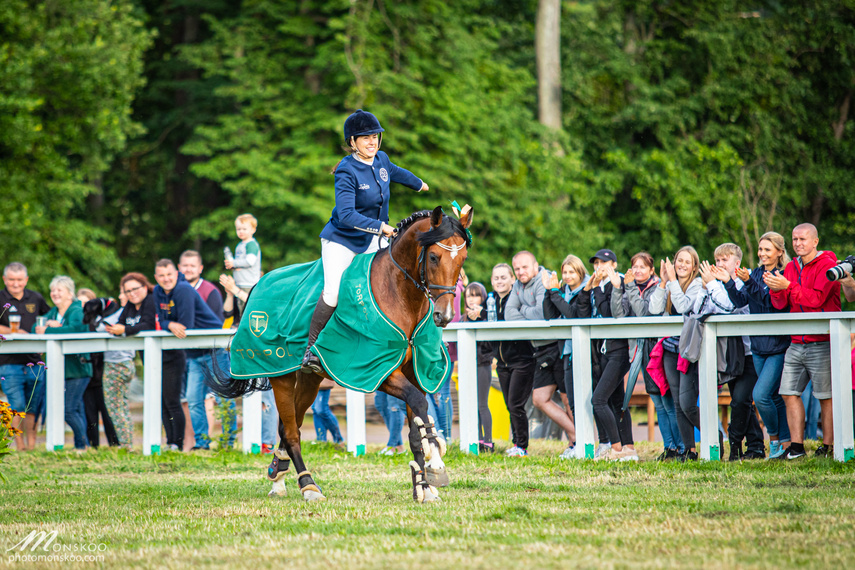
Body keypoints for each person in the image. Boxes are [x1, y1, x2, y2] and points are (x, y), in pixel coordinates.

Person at [300, 109, 428, 374]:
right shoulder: (346, 171)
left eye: (375, 137)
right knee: (333, 293)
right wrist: (381, 227)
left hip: (374, 237)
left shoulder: (381, 159)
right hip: (343, 240)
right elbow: (346, 215)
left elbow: (395, 172)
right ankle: (311, 351)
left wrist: (418, 184)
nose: (372, 142)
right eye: (365, 138)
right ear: (352, 142)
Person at [768, 223, 841, 459]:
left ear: (815, 242)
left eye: (802, 239)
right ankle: (797, 448)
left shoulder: (828, 265)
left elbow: (817, 300)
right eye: (794, 239)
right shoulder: (790, 266)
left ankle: (827, 447)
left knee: (825, 396)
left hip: (821, 341)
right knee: (788, 393)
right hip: (796, 342)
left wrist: (789, 286)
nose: (797, 243)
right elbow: (781, 304)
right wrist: (776, 289)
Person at [722, 232, 792, 459]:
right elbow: (742, 300)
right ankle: (785, 444)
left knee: (761, 395)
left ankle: (773, 440)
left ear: (779, 252)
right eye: (760, 249)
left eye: (767, 249)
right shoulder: (757, 273)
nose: (762, 253)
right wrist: (730, 283)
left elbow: (770, 302)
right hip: (758, 346)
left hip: (778, 346)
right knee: (773, 397)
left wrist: (748, 281)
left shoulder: (782, 274)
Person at [154, 259, 236, 450]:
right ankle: (202, 443)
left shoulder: (183, 289)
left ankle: (228, 443)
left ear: (176, 274)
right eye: (161, 275)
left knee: (224, 398)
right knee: (193, 399)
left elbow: (186, 324)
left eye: (169, 274)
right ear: (156, 277)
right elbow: (163, 320)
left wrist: (170, 323)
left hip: (214, 349)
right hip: (193, 354)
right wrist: (169, 325)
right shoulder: (158, 292)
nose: (166, 279)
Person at [611, 252, 685, 461]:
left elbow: (645, 313)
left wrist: (631, 288)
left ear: (652, 270)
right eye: (635, 267)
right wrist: (619, 288)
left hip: (658, 350)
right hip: (640, 351)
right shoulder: (629, 287)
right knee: (658, 404)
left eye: (642, 267)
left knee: (668, 402)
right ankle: (669, 447)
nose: (638, 271)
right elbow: (618, 314)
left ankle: (681, 447)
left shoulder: (658, 287)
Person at [698, 244, 765, 460]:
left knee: (740, 400)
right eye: (717, 261)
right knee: (742, 401)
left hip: (750, 352)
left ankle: (734, 444)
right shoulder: (714, 285)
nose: (719, 265)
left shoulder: (742, 284)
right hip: (730, 355)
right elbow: (703, 310)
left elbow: (729, 306)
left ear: (737, 264)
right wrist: (706, 287)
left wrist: (712, 285)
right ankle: (755, 446)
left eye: (724, 260)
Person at [578, 249, 637, 462]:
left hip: (620, 350)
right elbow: (582, 314)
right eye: (595, 264)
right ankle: (629, 447)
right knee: (616, 401)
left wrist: (597, 290)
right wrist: (589, 289)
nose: (598, 267)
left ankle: (616, 448)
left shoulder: (619, 281)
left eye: (603, 262)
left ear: (613, 263)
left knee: (598, 400)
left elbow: (608, 313)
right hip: (604, 350)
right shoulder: (598, 285)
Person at [648, 246, 704, 461]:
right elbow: (654, 309)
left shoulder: (697, 285)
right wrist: (663, 282)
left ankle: (714, 436)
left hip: (688, 352)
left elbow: (683, 308)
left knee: (688, 403)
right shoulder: (670, 284)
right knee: (678, 404)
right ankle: (688, 449)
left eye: (686, 262)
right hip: (670, 350)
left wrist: (672, 280)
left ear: (694, 267)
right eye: (679, 260)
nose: (681, 265)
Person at [219, 273, 278, 452]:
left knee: (266, 399)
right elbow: (227, 313)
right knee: (247, 396)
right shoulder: (239, 293)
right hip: (243, 348)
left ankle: (267, 442)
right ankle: (247, 441)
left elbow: (258, 305)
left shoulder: (266, 291)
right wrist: (230, 294)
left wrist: (235, 290)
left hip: (262, 349)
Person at [35, 276, 91, 450]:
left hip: (78, 369)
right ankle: (81, 445)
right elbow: (35, 326)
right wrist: (46, 328)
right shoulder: (53, 312)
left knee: (68, 409)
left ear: (69, 293)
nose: (55, 293)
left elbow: (78, 329)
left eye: (59, 290)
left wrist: (51, 329)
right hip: (60, 370)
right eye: (53, 290)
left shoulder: (76, 310)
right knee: (74, 409)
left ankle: (82, 446)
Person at [542, 254, 590, 459]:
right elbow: (549, 315)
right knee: (571, 399)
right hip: (567, 352)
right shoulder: (563, 291)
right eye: (565, 272)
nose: (568, 276)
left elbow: (572, 314)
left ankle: (586, 442)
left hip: (585, 352)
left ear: (580, 272)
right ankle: (577, 443)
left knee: (582, 400)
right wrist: (548, 291)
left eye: (572, 272)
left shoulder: (585, 291)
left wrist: (554, 293)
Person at [0, 262, 50, 450]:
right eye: (11, 279)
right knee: (17, 404)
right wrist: (14, 331)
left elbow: (51, 317)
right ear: (5, 279)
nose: (15, 283)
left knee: (32, 405)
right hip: (8, 362)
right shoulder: (0, 298)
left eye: (19, 280)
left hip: (35, 361)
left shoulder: (36, 298)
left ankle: (32, 444)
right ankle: (18, 444)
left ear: (26, 280)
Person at [106, 273, 159, 450]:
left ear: (144, 287)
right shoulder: (130, 305)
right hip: (146, 358)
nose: (131, 293)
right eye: (127, 291)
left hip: (165, 357)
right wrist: (114, 329)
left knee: (168, 401)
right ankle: (143, 444)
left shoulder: (151, 301)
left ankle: (173, 443)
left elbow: (148, 325)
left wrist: (125, 330)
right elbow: (120, 324)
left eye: (135, 289)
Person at [492, 262, 535, 457]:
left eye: (503, 277)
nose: (499, 281)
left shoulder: (517, 298)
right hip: (502, 363)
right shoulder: (490, 301)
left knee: (516, 403)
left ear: (512, 279)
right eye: (496, 278)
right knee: (510, 405)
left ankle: (522, 446)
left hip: (522, 360)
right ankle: (516, 442)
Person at [76, 287, 120, 448]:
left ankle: (115, 444)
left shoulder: (105, 318)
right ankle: (93, 445)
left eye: (85, 303)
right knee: (89, 412)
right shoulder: (81, 322)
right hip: (87, 372)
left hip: (102, 371)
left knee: (107, 410)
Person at [96, 281, 136, 450]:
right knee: (122, 404)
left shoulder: (121, 314)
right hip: (128, 362)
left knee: (114, 406)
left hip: (115, 364)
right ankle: (128, 442)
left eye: (122, 293)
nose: (120, 296)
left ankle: (126, 445)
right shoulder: (133, 315)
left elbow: (100, 328)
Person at [462, 281, 495, 452]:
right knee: (471, 405)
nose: (472, 299)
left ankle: (488, 442)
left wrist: (480, 317)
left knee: (482, 404)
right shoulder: (462, 318)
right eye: (469, 295)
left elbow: (490, 343)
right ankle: (477, 439)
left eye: (476, 295)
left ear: (483, 297)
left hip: (483, 365)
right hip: (466, 367)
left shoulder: (488, 315)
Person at [224, 214, 262, 318]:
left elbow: (250, 261)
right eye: (238, 229)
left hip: (249, 283)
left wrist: (234, 263)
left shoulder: (251, 244)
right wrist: (232, 265)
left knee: (247, 310)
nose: (241, 231)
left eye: (244, 229)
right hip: (240, 283)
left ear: (253, 229)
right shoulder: (240, 245)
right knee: (240, 310)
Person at [180, 250, 225, 321]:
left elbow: (216, 323)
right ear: (179, 267)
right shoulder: (171, 289)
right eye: (185, 265)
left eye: (193, 266)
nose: (188, 269)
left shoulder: (211, 291)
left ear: (200, 268)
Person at [312, 380, 343, 445]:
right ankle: (321, 440)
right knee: (315, 409)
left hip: (322, 378)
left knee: (321, 410)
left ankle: (339, 439)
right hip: (312, 381)